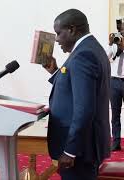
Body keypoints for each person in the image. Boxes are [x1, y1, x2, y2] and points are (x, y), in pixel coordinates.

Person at [42, 9, 111, 179]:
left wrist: (70, 151)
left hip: (80, 149)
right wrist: (54, 71)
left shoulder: (83, 55)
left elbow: (85, 108)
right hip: (85, 144)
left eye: (59, 33)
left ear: (72, 29)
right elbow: (76, 88)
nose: (56, 39)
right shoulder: (90, 48)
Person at [107, 20, 124, 151]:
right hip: (114, 82)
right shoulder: (115, 43)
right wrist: (111, 44)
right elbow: (106, 58)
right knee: (115, 114)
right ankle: (116, 142)